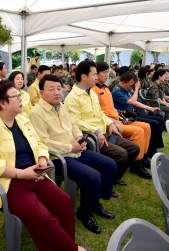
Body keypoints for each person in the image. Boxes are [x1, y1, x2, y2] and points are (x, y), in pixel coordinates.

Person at [0, 80, 86, 251]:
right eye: (15, 96)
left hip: (36, 175)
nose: (21, 99)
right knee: (42, 216)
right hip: (10, 183)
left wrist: (41, 160)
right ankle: (72, 249)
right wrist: (21, 173)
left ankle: (64, 246)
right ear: (2, 103)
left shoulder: (22, 120)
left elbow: (39, 144)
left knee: (64, 201)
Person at [29, 74, 117, 234]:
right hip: (58, 158)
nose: (57, 92)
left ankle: (94, 203)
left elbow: (74, 124)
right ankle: (85, 211)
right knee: (93, 176)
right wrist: (70, 147)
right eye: (51, 89)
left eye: (58, 88)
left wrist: (78, 138)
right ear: (41, 93)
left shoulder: (61, 106)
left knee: (110, 165)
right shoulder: (36, 113)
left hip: (75, 151)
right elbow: (43, 143)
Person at [64, 60, 140, 185]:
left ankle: (113, 179)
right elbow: (76, 122)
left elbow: (100, 113)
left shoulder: (92, 93)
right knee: (121, 154)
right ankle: (105, 184)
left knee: (134, 148)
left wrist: (110, 123)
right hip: (91, 136)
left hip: (104, 132)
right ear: (84, 76)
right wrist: (96, 131)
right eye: (94, 74)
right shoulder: (72, 97)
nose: (96, 77)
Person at [92, 62, 152, 179]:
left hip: (117, 119)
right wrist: (113, 121)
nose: (106, 75)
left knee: (146, 126)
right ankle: (136, 163)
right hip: (109, 124)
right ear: (96, 74)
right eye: (104, 72)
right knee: (138, 131)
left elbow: (112, 108)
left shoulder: (106, 89)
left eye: (107, 72)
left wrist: (121, 118)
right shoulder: (94, 91)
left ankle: (142, 156)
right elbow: (98, 113)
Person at [112, 71, 165, 157]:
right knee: (154, 124)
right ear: (122, 82)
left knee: (160, 120)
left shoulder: (125, 89)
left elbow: (136, 103)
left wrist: (150, 108)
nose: (130, 87)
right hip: (126, 115)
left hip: (133, 112)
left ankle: (152, 146)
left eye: (132, 85)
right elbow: (133, 102)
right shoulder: (117, 91)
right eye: (130, 85)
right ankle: (151, 150)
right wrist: (136, 88)